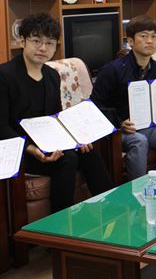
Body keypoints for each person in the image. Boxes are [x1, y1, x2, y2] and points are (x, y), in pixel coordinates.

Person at [0, 13, 112, 212]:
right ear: (23, 41)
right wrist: (32, 149)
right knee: (68, 159)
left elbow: (57, 116)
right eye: (36, 41)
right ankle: (59, 228)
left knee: (88, 150)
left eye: (50, 43)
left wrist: (78, 138)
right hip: (18, 147)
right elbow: (1, 126)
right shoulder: (5, 75)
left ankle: (112, 209)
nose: (43, 48)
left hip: (48, 141)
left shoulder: (52, 75)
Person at [91, 15, 156, 180]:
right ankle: (137, 192)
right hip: (120, 130)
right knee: (139, 141)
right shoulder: (112, 70)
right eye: (143, 36)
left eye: (154, 36)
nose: (150, 41)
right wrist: (119, 122)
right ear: (130, 41)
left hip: (147, 126)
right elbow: (94, 106)